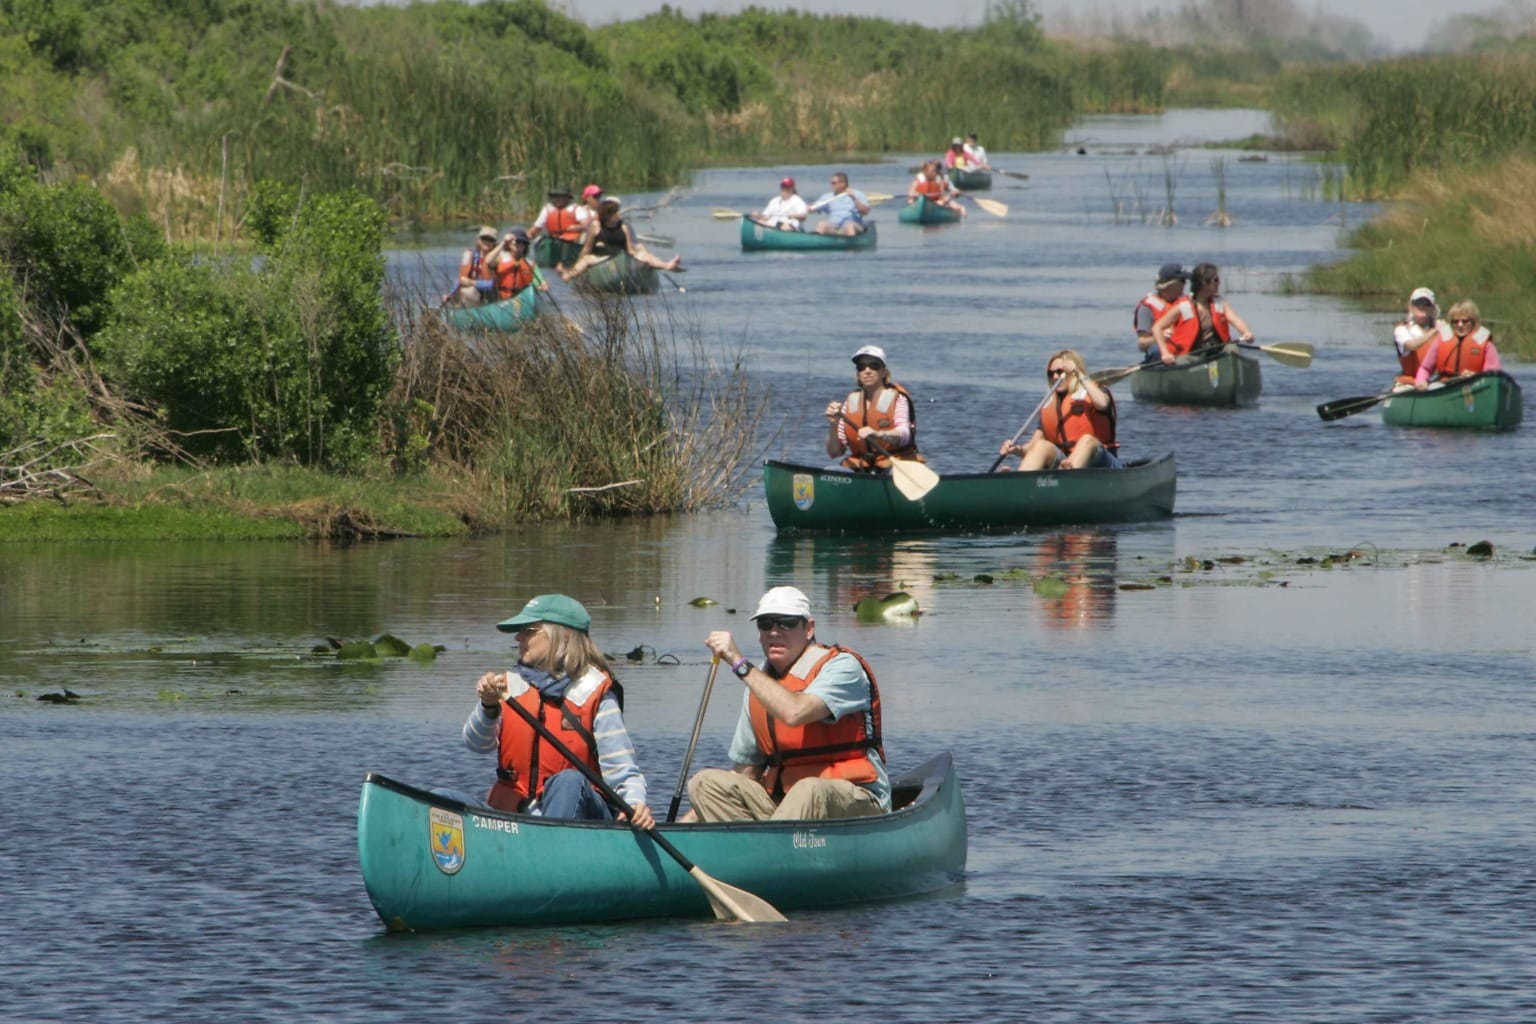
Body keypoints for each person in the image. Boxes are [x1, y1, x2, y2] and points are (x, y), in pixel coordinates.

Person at [684, 586, 888, 822]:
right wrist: (681, 828)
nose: (774, 632)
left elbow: (795, 712)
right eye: (766, 624)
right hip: (785, 808)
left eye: (786, 623)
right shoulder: (760, 683)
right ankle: (755, 848)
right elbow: (747, 772)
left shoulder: (843, 667)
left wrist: (738, 663)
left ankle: (769, 850)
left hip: (856, 801)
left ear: (809, 628)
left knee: (809, 789)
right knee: (705, 783)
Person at [461, 594, 654, 829]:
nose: (518, 637)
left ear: (562, 635)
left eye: (528, 629)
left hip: (583, 821)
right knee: (440, 800)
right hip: (514, 820)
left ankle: (548, 850)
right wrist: (488, 706)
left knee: (569, 780)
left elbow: (623, 769)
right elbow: (476, 744)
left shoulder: (595, 690)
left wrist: (635, 804)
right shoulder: (508, 686)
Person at [998, 349, 1122, 472]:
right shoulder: (1051, 404)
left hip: (1103, 464)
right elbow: (1033, 445)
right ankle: (1019, 482)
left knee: (1087, 440)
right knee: (1041, 446)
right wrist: (1017, 450)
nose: (1055, 377)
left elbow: (1103, 403)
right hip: (1066, 464)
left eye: (1060, 372)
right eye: (1050, 373)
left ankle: (1068, 475)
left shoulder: (1094, 393)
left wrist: (1079, 374)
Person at [824, 344, 921, 471]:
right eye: (861, 367)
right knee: (830, 471)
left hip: (895, 464)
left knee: (894, 473)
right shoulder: (850, 402)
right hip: (862, 465)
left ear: (883, 372)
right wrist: (833, 425)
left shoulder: (898, 399)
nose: (867, 370)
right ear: (858, 374)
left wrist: (879, 434)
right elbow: (834, 452)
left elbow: (904, 435)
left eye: (874, 365)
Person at [1149, 261, 1254, 363]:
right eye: (1216, 280)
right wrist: (1165, 353)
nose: (1219, 283)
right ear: (1205, 283)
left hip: (1216, 351)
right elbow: (1157, 328)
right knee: (1182, 361)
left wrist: (1246, 332)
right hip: (1192, 354)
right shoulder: (1183, 306)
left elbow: (1235, 320)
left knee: (1232, 349)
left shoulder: (1219, 303)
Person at [558, 196, 682, 282]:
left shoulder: (623, 227)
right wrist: (579, 263)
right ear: (608, 215)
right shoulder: (596, 227)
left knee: (645, 255)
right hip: (602, 258)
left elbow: (630, 250)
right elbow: (587, 248)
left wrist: (641, 258)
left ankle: (667, 265)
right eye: (615, 213)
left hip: (620, 257)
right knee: (586, 259)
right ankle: (569, 274)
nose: (619, 215)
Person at [1414, 299, 1502, 389]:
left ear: (1473, 322)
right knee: (1433, 387)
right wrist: (1421, 382)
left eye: (1465, 321)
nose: (1460, 325)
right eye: (1455, 321)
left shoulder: (1486, 344)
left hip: (1475, 385)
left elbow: (1492, 376)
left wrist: (1476, 376)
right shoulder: (1441, 339)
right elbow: (1425, 368)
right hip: (1444, 386)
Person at [1392, 286, 1450, 385]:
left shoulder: (1443, 326)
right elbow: (1412, 345)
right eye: (1418, 303)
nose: (1422, 306)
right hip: (1411, 384)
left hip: (1438, 381)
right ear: (1410, 307)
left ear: (1432, 308)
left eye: (1426, 303)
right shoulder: (1401, 330)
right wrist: (1433, 332)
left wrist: (1446, 331)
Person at [1134, 263, 1189, 361]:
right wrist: (1159, 338)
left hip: (1185, 350)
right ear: (1169, 286)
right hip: (1161, 357)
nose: (1185, 285)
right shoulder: (1146, 308)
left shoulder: (1187, 303)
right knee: (1156, 350)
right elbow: (1142, 344)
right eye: (1182, 281)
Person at [486, 228, 548, 300]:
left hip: (523, 300)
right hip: (502, 298)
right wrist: (504, 242)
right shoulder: (500, 258)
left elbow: (540, 283)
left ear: (525, 246)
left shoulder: (530, 264)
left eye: (522, 243)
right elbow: (488, 261)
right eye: (517, 242)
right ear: (509, 244)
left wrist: (542, 286)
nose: (519, 245)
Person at [807, 171, 871, 236]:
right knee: (822, 224)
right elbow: (814, 207)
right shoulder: (828, 196)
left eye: (833, 183)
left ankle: (851, 245)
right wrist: (807, 208)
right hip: (834, 226)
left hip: (853, 225)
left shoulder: (857, 194)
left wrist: (853, 198)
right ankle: (819, 242)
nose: (831, 185)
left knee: (849, 226)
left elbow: (865, 211)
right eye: (831, 183)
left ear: (842, 184)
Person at [450, 225, 500, 306]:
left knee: (468, 292)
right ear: (479, 240)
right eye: (484, 238)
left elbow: (494, 284)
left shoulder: (497, 259)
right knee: (460, 294)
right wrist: (451, 294)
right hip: (475, 294)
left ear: (494, 243)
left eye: (491, 240)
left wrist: (472, 283)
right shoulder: (472, 256)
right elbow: (461, 279)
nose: (487, 242)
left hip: (492, 294)